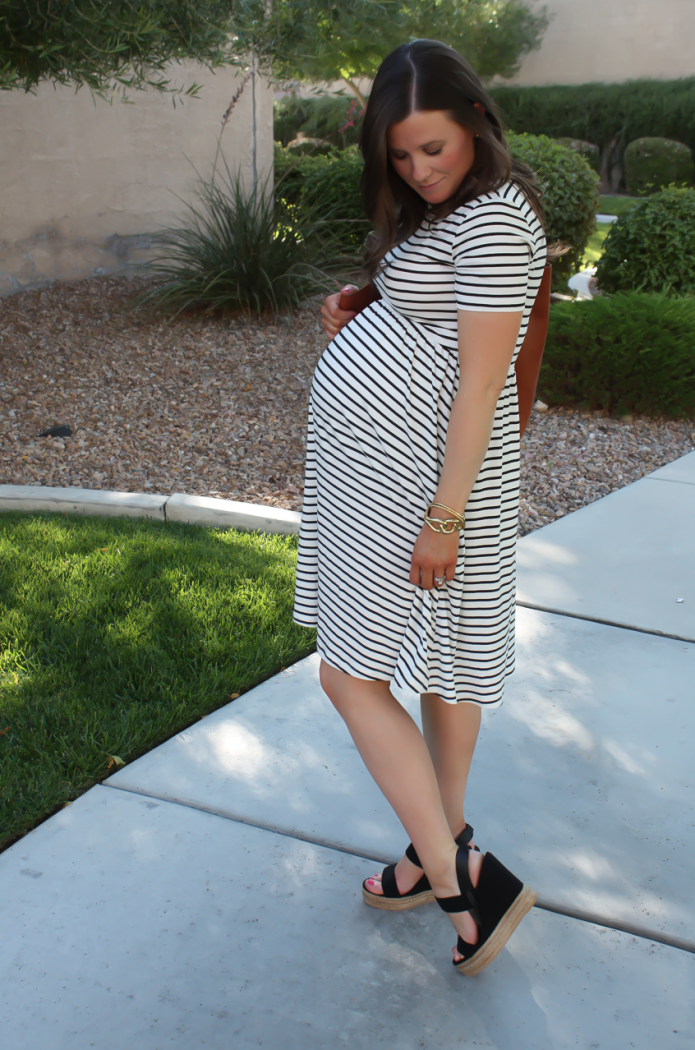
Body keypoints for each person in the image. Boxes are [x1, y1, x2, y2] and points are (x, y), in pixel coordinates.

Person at [293, 39, 546, 975]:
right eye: (400, 157)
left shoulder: (492, 223)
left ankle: (458, 879)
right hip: (391, 479)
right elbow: (443, 319)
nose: (418, 171)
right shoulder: (462, 215)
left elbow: (480, 387)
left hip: (418, 492)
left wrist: (442, 519)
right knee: (442, 669)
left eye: (433, 149)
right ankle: (439, 847)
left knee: (348, 675)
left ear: (477, 120)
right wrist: (372, 302)